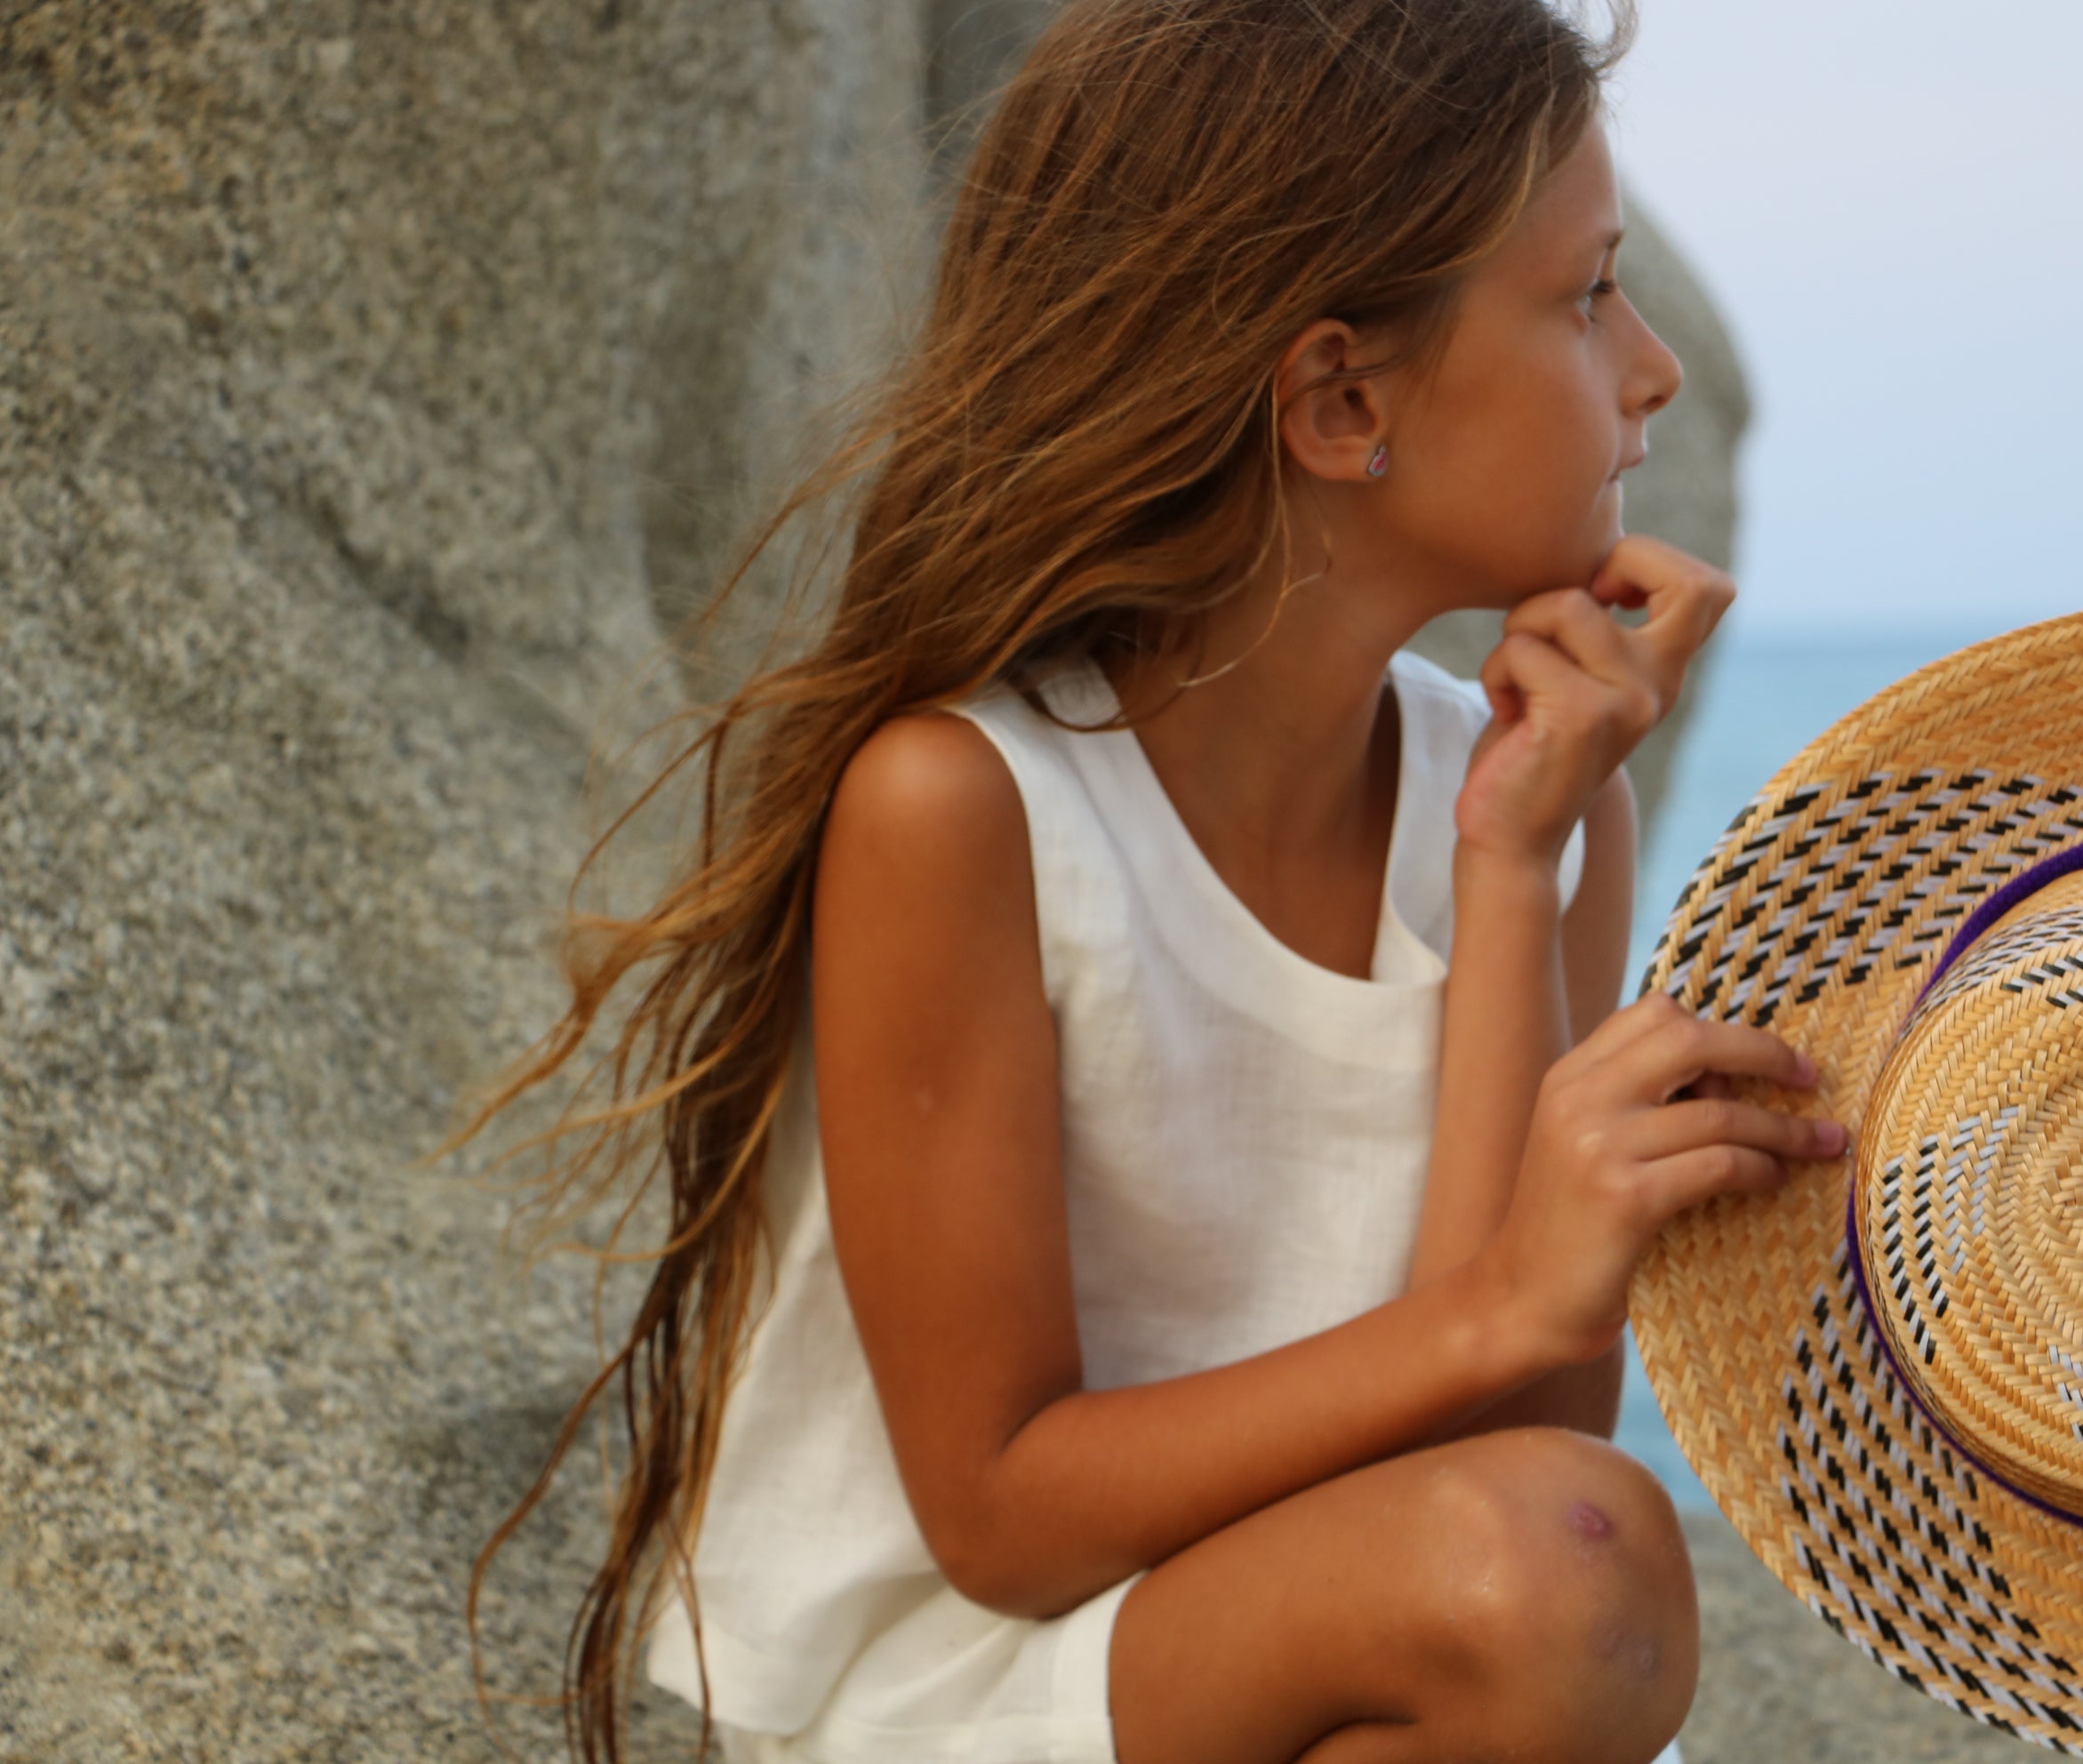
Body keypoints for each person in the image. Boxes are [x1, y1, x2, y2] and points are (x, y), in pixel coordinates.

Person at [465, 4, 1843, 1760]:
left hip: (1324, 1637)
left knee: (1566, 1570)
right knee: (1559, 1573)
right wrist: (1509, 1293)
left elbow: (1524, 1451)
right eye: (1588, 295)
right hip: (970, 1679)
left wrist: (1510, 869)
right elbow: (1003, 1515)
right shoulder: (966, 807)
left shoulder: (1536, 802)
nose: (1652, 370)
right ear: (1341, 401)